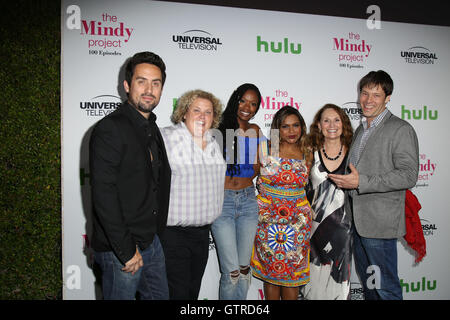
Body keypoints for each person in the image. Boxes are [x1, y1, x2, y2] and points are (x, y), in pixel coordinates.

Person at [328, 70, 419, 300]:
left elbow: (409, 175)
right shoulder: (362, 129)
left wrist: (362, 182)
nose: (368, 100)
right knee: (370, 287)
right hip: (358, 224)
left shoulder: (400, 129)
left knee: (385, 289)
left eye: (376, 95)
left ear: (388, 97)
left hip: (379, 225)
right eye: (364, 93)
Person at [89, 51, 171, 300]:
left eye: (156, 83)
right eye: (141, 81)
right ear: (127, 85)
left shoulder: (152, 126)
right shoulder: (110, 128)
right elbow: (104, 194)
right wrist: (126, 251)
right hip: (122, 249)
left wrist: (155, 237)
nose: (149, 89)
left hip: (150, 242)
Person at [160, 90, 226, 300]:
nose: (202, 116)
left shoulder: (213, 142)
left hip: (201, 235)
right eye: (196, 110)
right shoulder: (167, 138)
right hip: (173, 235)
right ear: (184, 113)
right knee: (177, 294)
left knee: (191, 293)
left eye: (208, 112)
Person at [250, 106, 313, 300]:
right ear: (277, 128)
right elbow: (246, 177)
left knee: (291, 276)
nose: (292, 131)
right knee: (272, 275)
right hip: (267, 221)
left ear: (302, 127)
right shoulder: (265, 148)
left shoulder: (307, 151)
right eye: (285, 126)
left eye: (296, 125)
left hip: (298, 223)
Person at [211, 83, 265, 300]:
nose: (247, 107)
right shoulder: (218, 127)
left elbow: (259, 166)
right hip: (221, 201)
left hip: (248, 201)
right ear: (236, 99)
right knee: (231, 271)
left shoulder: (256, 131)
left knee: (244, 268)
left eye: (253, 104)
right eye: (243, 100)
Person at [301, 104, 354, 300]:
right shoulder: (309, 150)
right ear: (319, 125)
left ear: (343, 124)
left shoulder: (354, 152)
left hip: (343, 231)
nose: (332, 125)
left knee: (338, 285)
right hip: (313, 230)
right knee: (313, 285)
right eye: (326, 120)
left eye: (336, 120)